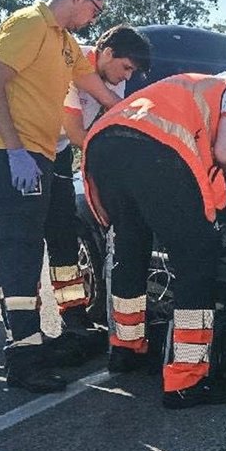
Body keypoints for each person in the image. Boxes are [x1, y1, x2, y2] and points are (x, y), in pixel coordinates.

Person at [0, 0, 121, 393]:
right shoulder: (29, 24)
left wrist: (134, 111)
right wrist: (15, 150)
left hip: (41, 153)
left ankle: (39, 339)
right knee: (20, 248)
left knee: (45, 241)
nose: (93, 19)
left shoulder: (62, 39)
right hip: (9, 151)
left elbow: (95, 87)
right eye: (95, 9)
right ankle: (23, 357)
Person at [81, 72, 226, 408]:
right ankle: (186, 381)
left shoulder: (183, 86)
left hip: (103, 145)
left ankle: (126, 350)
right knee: (196, 261)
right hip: (155, 152)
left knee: (130, 248)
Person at [44, 25, 150, 350]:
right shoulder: (70, 62)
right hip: (25, 148)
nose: (126, 77)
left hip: (58, 150)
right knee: (26, 241)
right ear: (107, 53)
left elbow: (114, 121)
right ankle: (23, 330)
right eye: (125, 68)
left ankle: (74, 317)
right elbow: (78, 133)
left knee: (63, 236)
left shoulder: (115, 76)